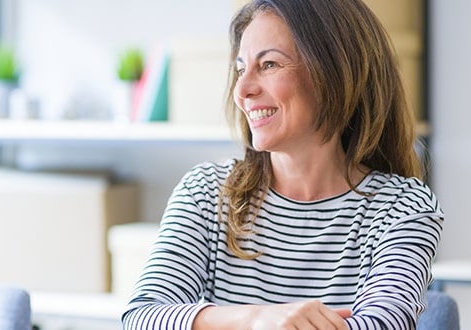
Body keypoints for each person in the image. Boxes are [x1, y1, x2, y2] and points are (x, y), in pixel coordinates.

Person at [122, 0, 444, 329]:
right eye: (240, 68)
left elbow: (383, 325)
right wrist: (256, 317)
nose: (243, 90)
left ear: (334, 72)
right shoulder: (206, 193)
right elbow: (142, 317)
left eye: (270, 64)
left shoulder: (402, 207)